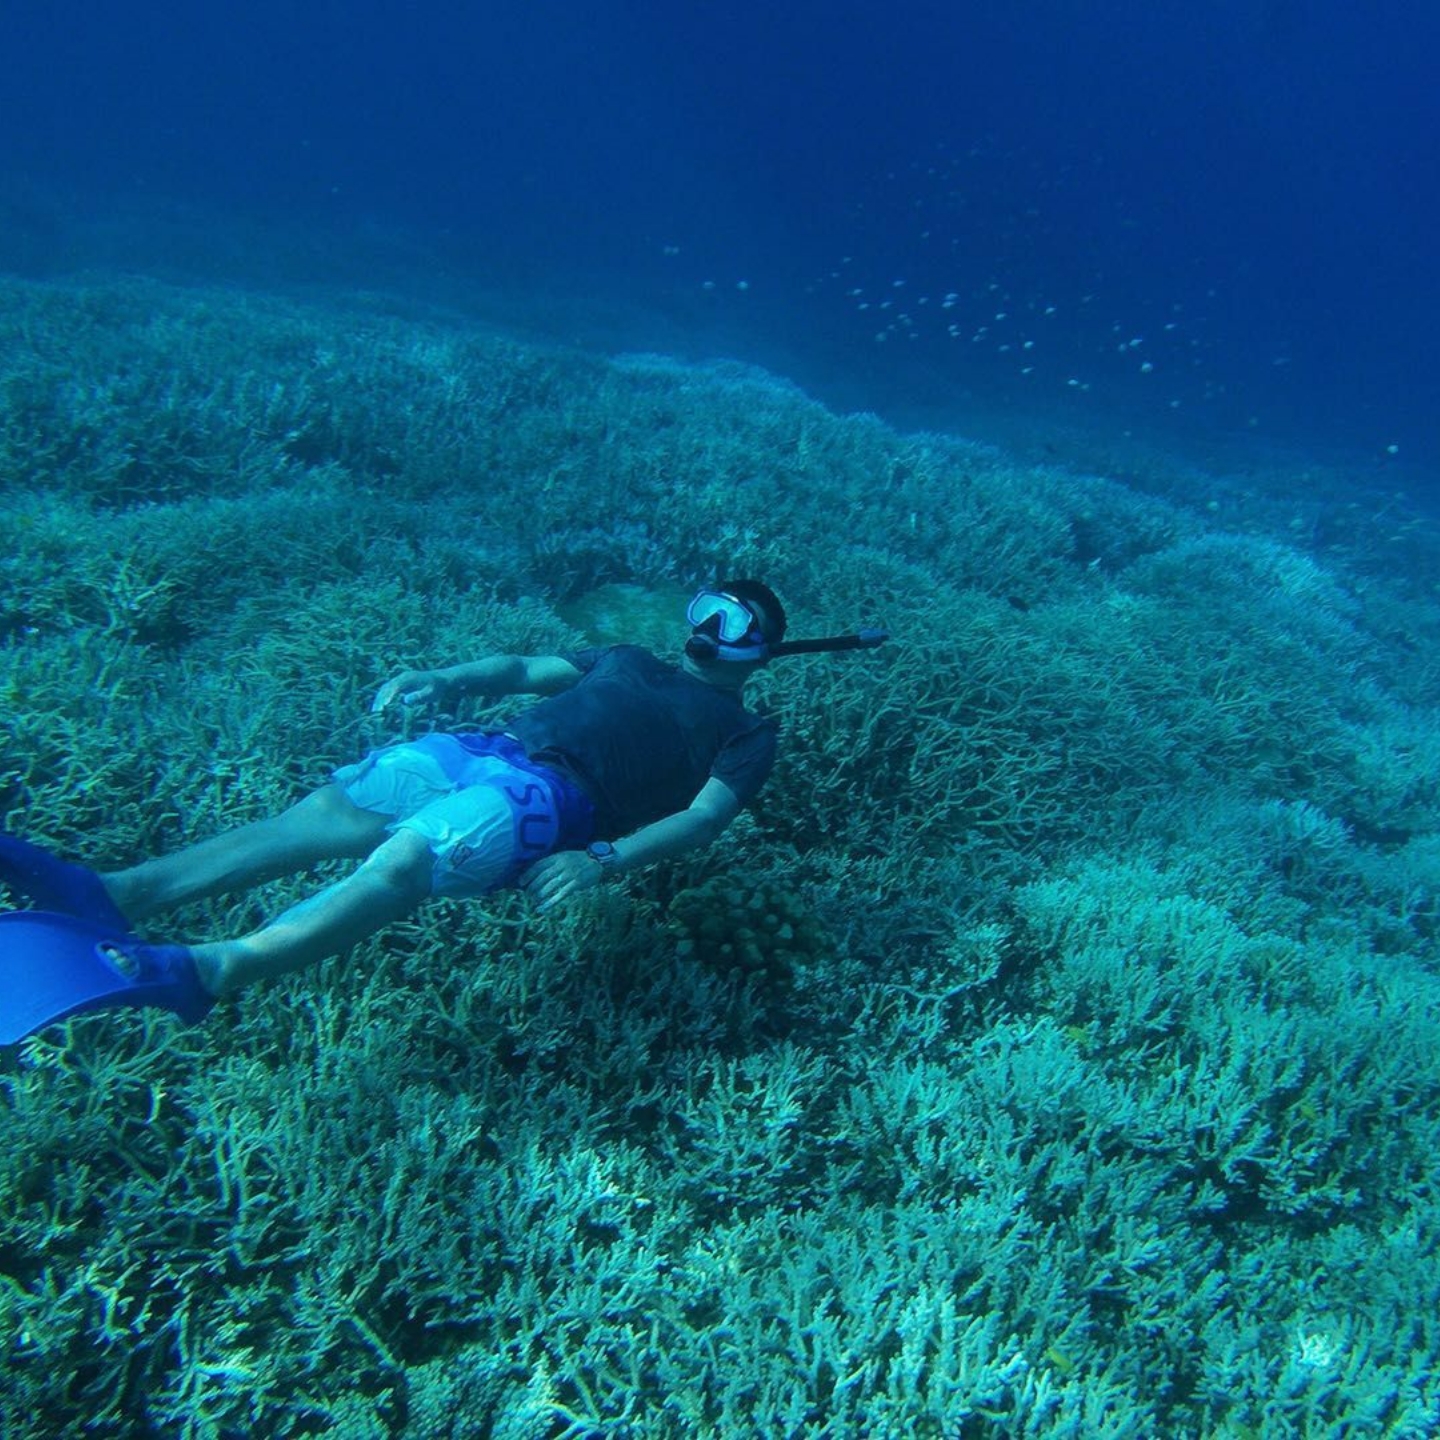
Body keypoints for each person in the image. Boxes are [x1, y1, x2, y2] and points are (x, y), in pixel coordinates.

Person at [0, 582, 882, 1041]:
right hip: (490, 748)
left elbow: (704, 820)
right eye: (704, 607)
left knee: (409, 859)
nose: (705, 627)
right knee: (333, 807)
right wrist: (446, 677)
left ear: (759, 651)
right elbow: (523, 669)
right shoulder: (627, 656)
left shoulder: (747, 732)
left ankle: (210, 970)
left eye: (729, 622)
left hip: (556, 803)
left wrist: (602, 860)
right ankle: (120, 893)